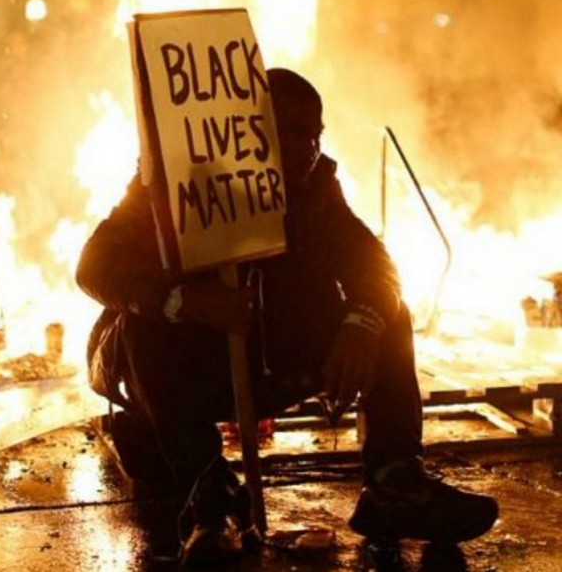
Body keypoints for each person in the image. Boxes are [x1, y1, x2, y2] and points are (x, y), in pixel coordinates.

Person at [77, 67, 498, 565]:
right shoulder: (173, 183)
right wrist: (185, 300)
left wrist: (362, 324)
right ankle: (208, 499)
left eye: (316, 133)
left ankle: (394, 483)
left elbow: (373, 263)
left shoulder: (315, 188)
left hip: (270, 365)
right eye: (293, 132)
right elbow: (95, 264)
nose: (310, 147)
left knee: (385, 314)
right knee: (147, 324)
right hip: (176, 382)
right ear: (250, 130)